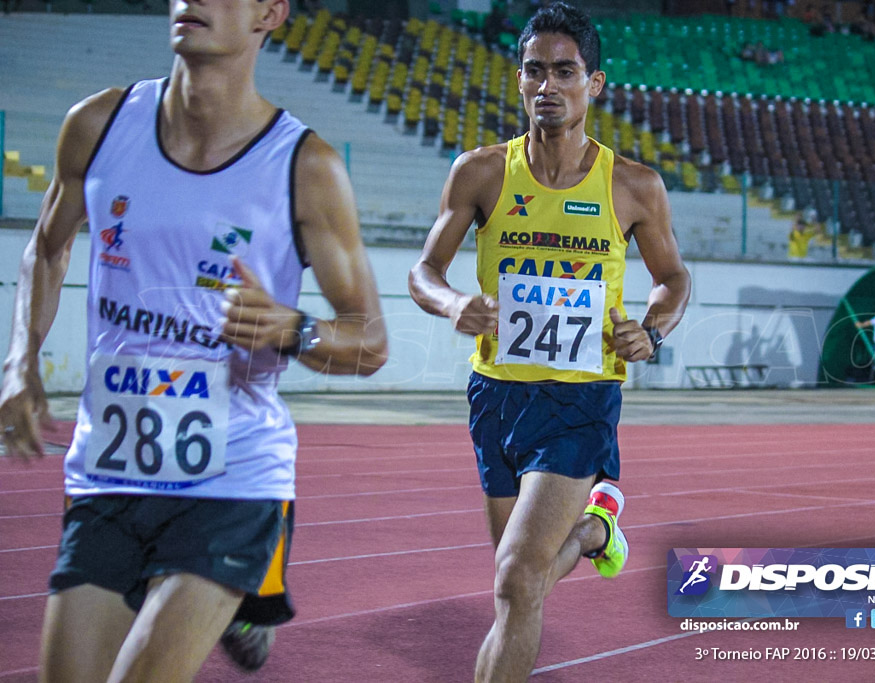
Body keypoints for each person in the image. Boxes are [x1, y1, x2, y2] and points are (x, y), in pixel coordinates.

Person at [0, 2, 388, 680]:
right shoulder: (98, 126)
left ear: (271, 12)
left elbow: (369, 340)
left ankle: (241, 589)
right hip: (109, 471)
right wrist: (18, 363)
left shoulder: (305, 167)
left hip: (232, 476)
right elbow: (45, 249)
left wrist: (292, 328)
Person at [407, 4, 690, 681]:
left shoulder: (632, 185)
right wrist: (454, 303)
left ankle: (594, 525)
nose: (548, 86)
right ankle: (597, 529)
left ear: (593, 84)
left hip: (582, 398)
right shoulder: (479, 172)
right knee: (517, 585)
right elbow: (423, 272)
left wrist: (651, 328)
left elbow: (673, 278)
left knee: (514, 577)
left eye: (565, 72)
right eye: (535, 71)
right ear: (518, 80)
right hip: (496, 395)